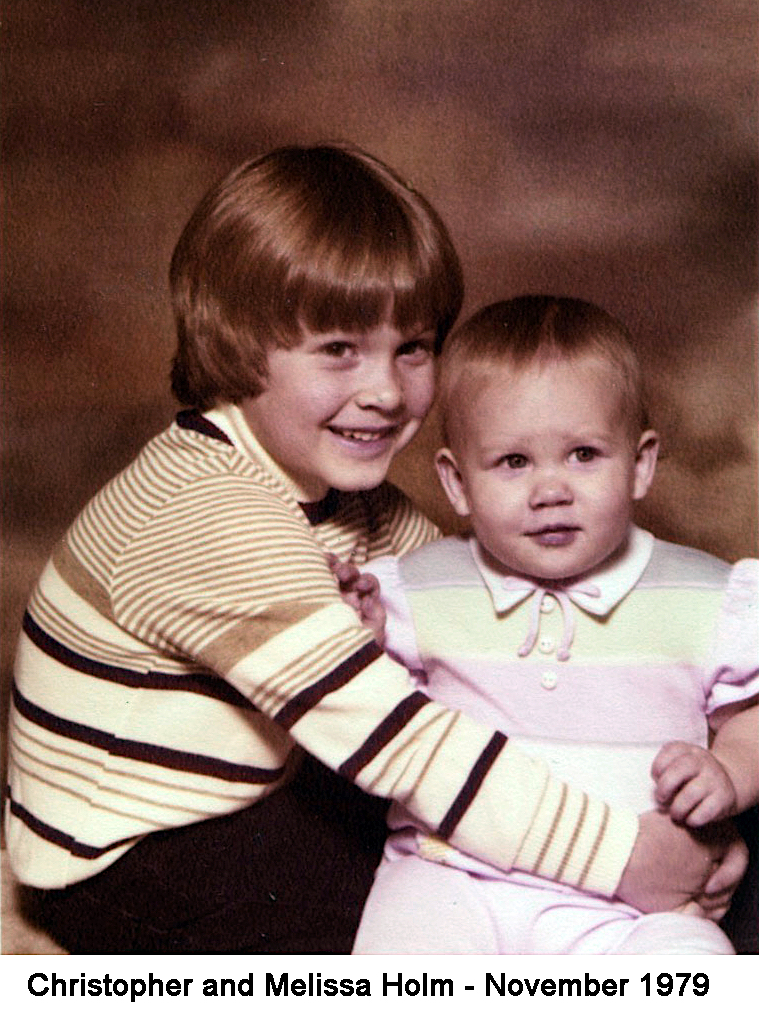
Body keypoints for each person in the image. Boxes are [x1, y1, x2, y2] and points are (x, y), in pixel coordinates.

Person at [4, 151, 745, 954]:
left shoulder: (358, 505)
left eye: (414, 347)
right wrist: (626, 858)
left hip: (267, 796)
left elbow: (480, 639)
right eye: (338, 350)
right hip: (133, 861)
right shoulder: (205, 512)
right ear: (238, 341)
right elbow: (405, 741)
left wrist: (704, 826)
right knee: (428, 887)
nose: (386, 392)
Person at [352, 296, 758, 955]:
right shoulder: (421, 585)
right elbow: (364, 705)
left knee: (696, 970)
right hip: (449, 874)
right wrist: (361, 634)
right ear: (457, 484)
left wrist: (729, 770)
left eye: (582, 454)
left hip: (631, 905)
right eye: (513, 462)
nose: (550, 489)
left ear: (640, 463)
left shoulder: (703, 592)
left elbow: (750, 715)